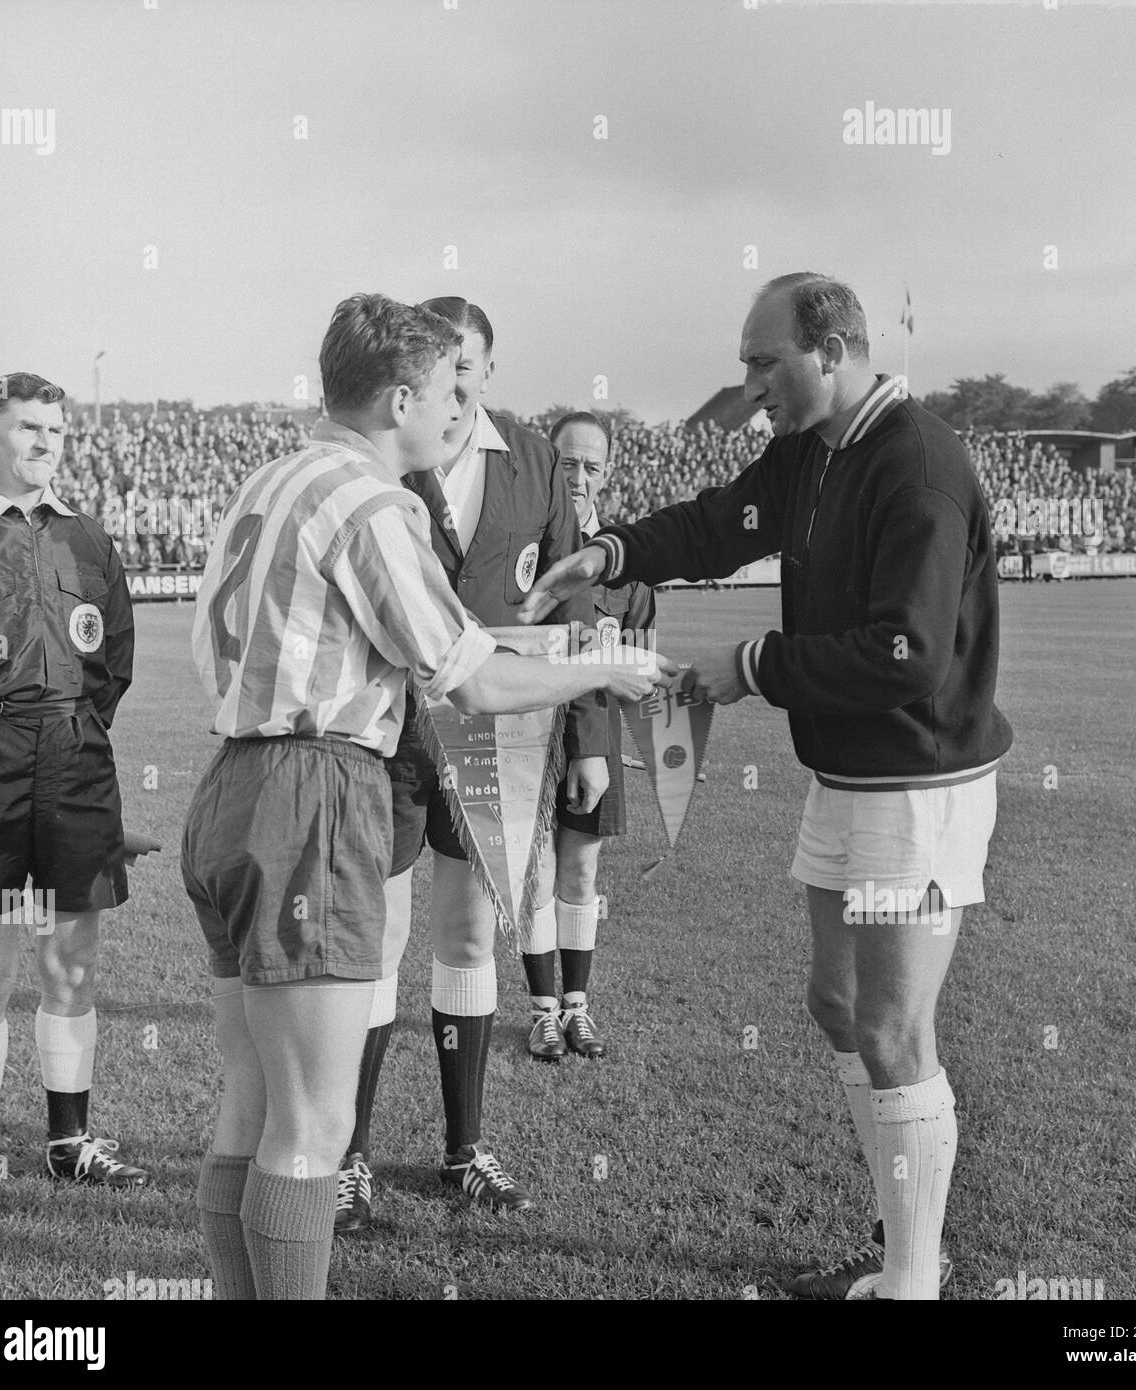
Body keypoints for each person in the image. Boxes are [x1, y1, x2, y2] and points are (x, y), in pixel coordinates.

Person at [522, 273, 1013, 1300]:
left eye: (763, 362)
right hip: (847, 775)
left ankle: (913, 1279)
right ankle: (896, 1240)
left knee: (888, 1025)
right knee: (835, 1004)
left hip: (915, 784)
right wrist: (610, 552)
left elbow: (908, 654)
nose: (749, 386)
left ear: (830, 351)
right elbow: (715, 524)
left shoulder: (914, 464)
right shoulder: (810, 452)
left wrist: (752, 666)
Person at [182, 294, 668, 1299]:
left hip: (229, 783)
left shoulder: (270, 479)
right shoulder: (369, 503)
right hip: (315, 790)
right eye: (449, 390)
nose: (460, 412)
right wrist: (600, 670)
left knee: (251, 1096)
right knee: (310, 1123)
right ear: (399, 395)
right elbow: (472, 676)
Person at [334, 298, 611, 1231]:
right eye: (438, 368)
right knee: (379, 936)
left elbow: (581, 604)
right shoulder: (386, 454)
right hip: (390, 730)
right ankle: (350, 1155)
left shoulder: (533, 460)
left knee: (467, 935)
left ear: (489, 370)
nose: (453, 386)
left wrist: (594, 742)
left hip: (500, 730)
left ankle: (463, 1150)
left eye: (468, 368)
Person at [0, 373, 146, 1235]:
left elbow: (112, 668)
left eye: (57, 431)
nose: (44, 443)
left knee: (73, 966)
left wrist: (78, 751)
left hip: (73, 770)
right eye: (28, 428)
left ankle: (69, 1143)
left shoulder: (90, 541)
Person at [520, 411, 655, 1062]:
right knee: (535, 873)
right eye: (565, 462)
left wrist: (632, 741)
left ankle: (577, 1006)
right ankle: (541, 1011)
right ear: (548, 465)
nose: (577, 477)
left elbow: (636, 660)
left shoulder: (628, 567)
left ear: (608, 474)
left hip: (595, 742)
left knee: (580, 869)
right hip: (529, 735)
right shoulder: (522, 554)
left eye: (590, 466)